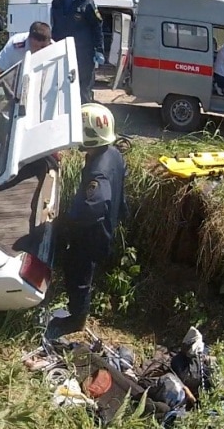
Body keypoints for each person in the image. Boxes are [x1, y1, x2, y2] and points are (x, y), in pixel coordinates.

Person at [45, 103, 128, 340]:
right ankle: (77, 311)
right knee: (82, 272)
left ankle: (76, 320)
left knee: (78, 274)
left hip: (90, 236)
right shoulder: (112, 154)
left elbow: (94, 206)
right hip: (104, 228)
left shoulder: (98, 172)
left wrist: (68, 224)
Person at [48, 0, 105, 104]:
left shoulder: (86, 2)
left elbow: (97, 26)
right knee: (61, 89)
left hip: (83, 55)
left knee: (82, 91)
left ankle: (83, 123)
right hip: (62, 52)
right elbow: (55, 27)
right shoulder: (57, 1)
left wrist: (99, 50)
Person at [0, 21, 53, 87]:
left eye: (42, 47)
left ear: (49, 43)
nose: (38, 50)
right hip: (15, 84)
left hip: (43, 85)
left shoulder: (56, 50)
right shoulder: (15, 44)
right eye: (35, 46)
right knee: (0, 91)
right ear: (29, 39)